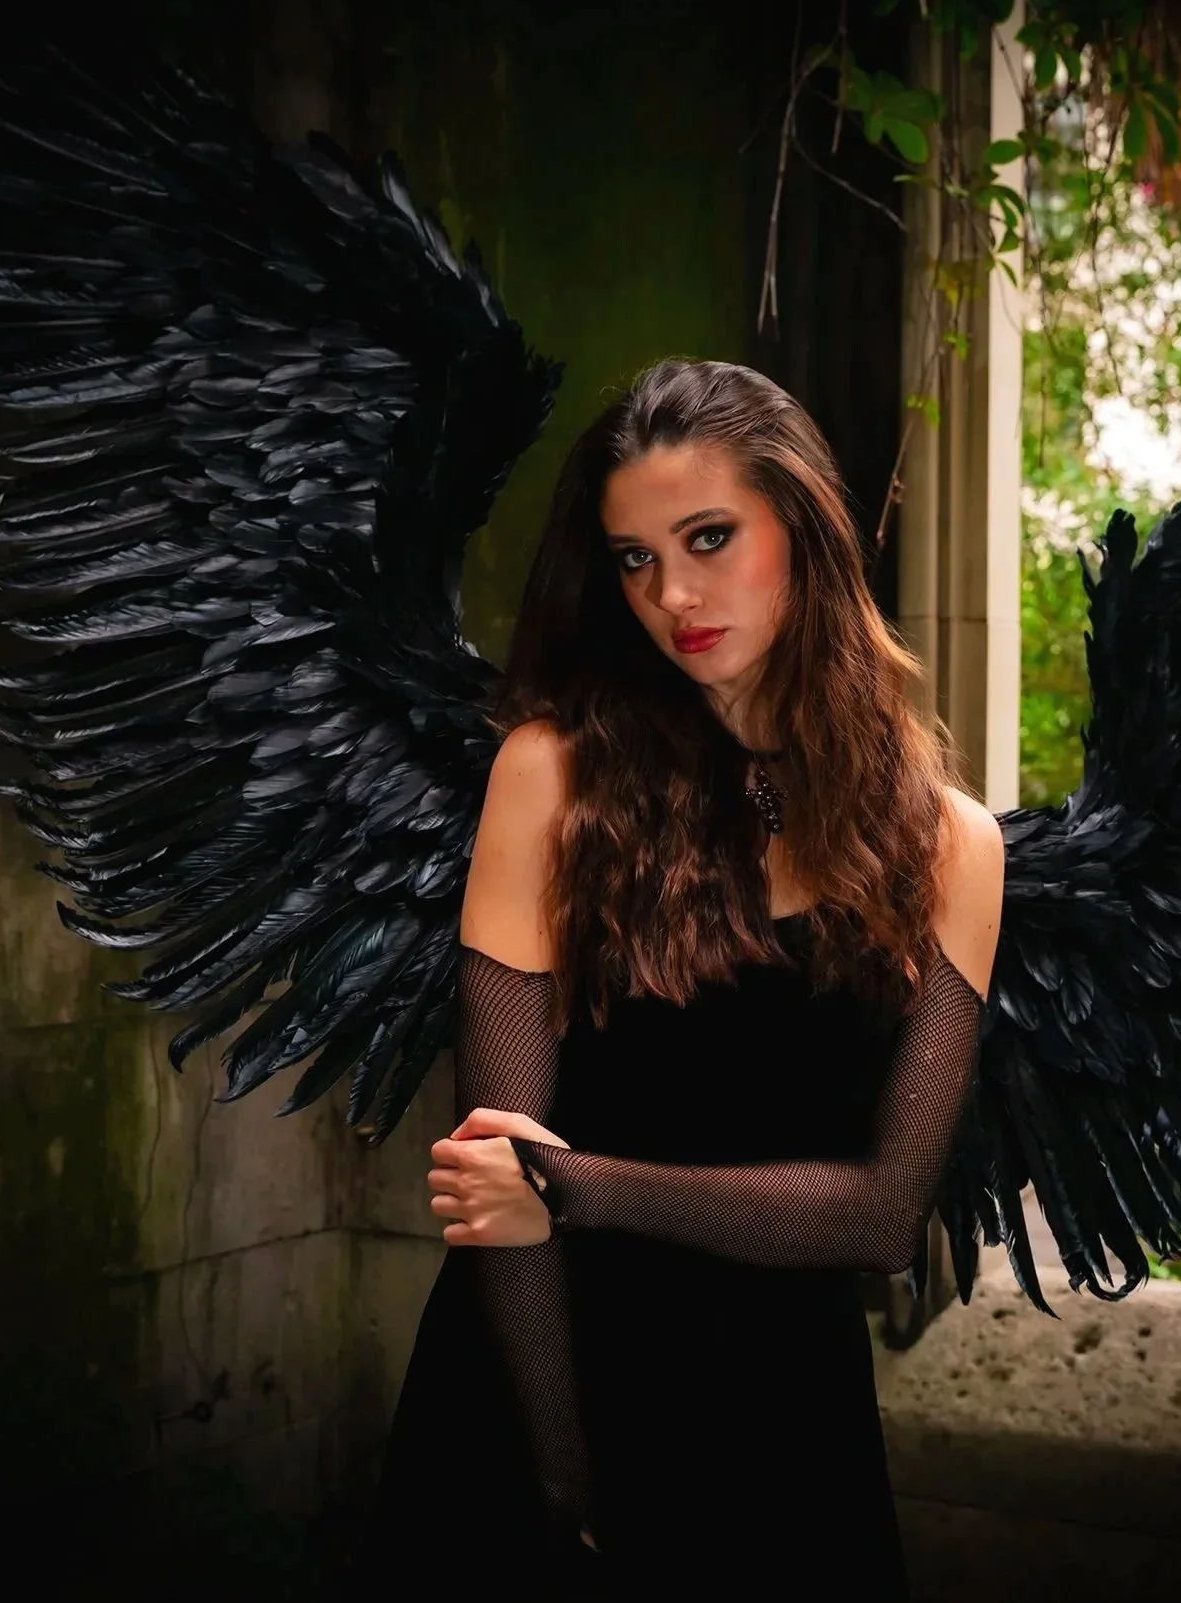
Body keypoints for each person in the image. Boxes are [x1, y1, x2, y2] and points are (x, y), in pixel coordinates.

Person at [367, 358, 1004, 1598]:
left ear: (805, 526)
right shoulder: (550, 777)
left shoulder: (950, 848)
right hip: (535, 1370)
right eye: (635, 559)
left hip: (787, 1425)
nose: (675, 593)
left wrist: (574, 1184)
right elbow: (502, 1173)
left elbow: (881, 1216)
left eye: (710, 537)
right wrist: (562, 1478)